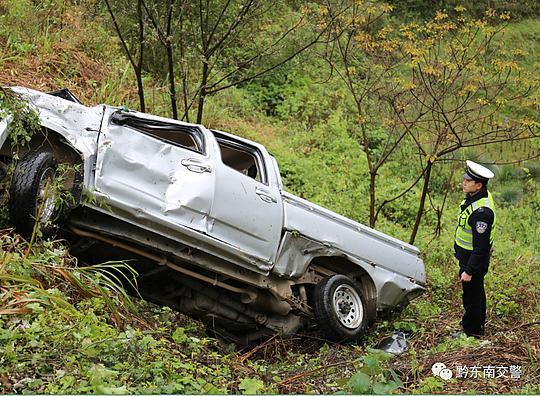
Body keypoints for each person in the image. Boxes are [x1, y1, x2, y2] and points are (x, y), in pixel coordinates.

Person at [454, 160, 496, 338]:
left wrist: (469, 270)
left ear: (478, 185)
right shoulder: (477, 197)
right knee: (476, 293)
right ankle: (475, 325)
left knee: (472, 297)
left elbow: (481, 247)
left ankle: (472, 333)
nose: (464, 182)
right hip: (469, 258)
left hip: (474, 260)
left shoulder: (481, 214)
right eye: (465, 178)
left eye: (468, 181)